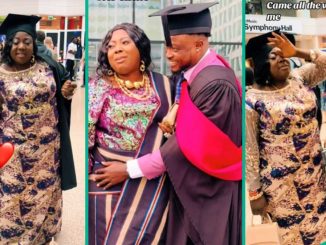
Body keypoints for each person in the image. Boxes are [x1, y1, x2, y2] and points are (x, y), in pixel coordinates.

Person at [93, 3, 242, 244]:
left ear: (199, 45)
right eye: (167, 47)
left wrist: (130, 169)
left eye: (175, 48)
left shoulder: (216, 85)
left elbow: (185, 147)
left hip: (209, 197)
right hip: (192, 190)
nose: (168, 55)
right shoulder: (193, 74)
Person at [88, 23, 173, 245]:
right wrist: (91, 179)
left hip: (152, 185)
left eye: (125, 42)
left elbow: (176, 137)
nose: (117, 49)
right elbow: (86, 141)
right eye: (111, 45)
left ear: (141, 49)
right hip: (108, 185)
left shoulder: (164, 85)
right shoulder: (97, 87)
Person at [0, 13, 77, 244]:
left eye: (26, 41)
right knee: (11, 204)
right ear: (8, 45)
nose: (21, 46)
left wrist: (66, 92)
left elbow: (64, 89)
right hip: (12, 155)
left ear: (35, 44)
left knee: (43, 202)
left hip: (47, 153)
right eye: (15, 41)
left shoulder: (48, 67)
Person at [246, 30, 326, 244]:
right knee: (294, 238)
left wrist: (299, 52)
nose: (282, 60)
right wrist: (254, 193)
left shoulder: (299, 79)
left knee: (319, 233)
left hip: (316, 176)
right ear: (262, 63)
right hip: (283, 187)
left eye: (285, 56)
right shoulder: (251, 101)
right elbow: (251, 150)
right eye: (274, 57)